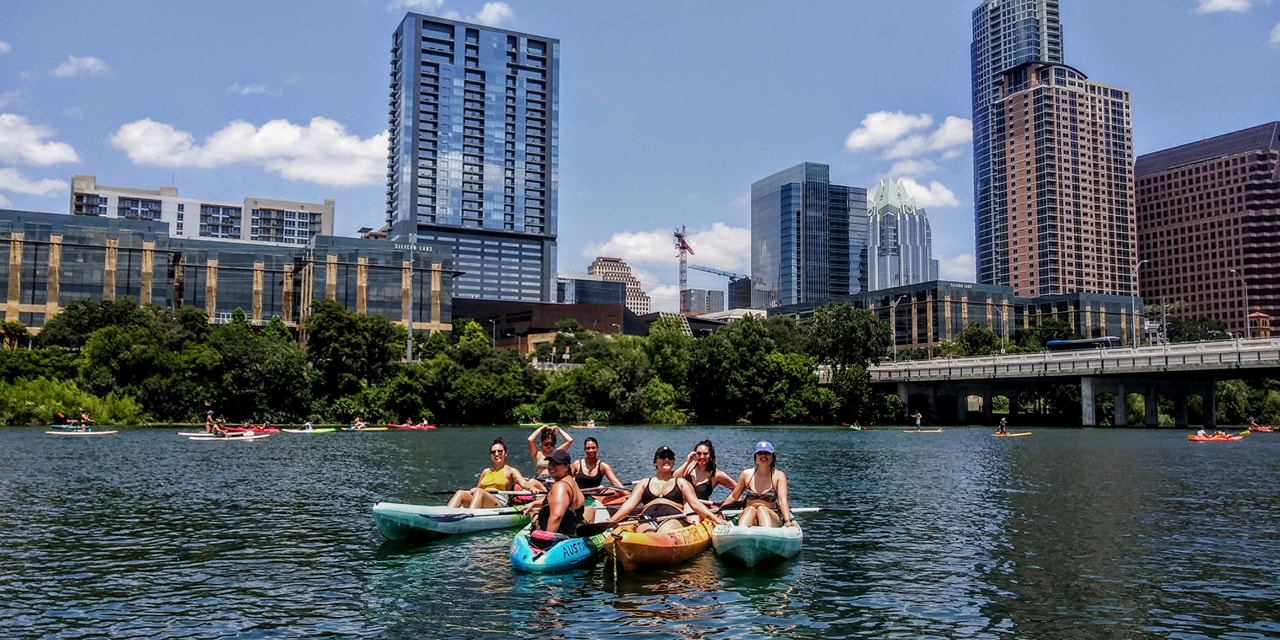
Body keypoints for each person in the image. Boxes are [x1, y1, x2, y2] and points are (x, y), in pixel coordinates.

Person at [606, 446, 726, 533]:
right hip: (647, 518)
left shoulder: (681, 483)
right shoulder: (644, 483)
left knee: (662, 534)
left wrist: (714, 518)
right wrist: (609, 523)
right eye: (662, 456)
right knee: (646, 534)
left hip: (673, 518)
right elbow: (629, 505)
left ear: (673, 462)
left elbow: (695, 504)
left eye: (670, 457)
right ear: (655, 462)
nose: (666, 459)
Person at [721, 441, 796, 528]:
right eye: (760, 453)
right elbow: (734, 497)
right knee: (750, 509)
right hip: (749, 514)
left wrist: (788, 520)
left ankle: (766, 534)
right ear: (755, 457)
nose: (763, 456)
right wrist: (720, 512)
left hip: (771, 515)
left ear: (772, 456)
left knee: (762, 509)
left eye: (767, 453)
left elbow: (782, 500)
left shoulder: (779, 476)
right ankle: (742, 533)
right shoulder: (746, 474)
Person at [447, 437, 538, 509]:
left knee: (480, 492)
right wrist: (473, 490)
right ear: (490, 455)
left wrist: (532, 488)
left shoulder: (511, 471)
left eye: (500, 451)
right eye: (493, 452)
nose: (496, 454)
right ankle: (446, 515)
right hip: (480, 498)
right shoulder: (485, 471)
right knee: (460, 493)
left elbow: (523, 482)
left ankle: (469, 517)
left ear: (505, 453)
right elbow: (478, 488)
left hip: (498, 503)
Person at [525, 449, 587, 537]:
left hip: (561, 535)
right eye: (550, 463)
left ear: (566, 467)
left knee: (534, 515)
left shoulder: (560, 487)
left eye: (556, 463)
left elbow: (556, 517)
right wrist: (534, 504)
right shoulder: (571, 480)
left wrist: (545, 541)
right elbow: (557, 501)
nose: (551, 467)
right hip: (573, 529)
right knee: (589, 510)